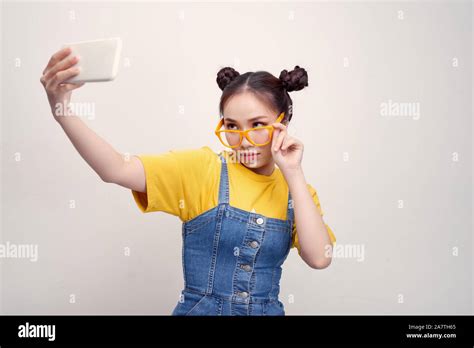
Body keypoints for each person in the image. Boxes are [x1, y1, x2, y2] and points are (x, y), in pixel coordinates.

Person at [40, 47, 336, 315]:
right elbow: (115, 169)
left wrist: (293, 173)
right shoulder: (203, 169)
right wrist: (62, 111)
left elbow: (319, 258)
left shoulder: (298, 194)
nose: (243, 141)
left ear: (282, 123)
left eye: (257, 125)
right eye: (232, 126)